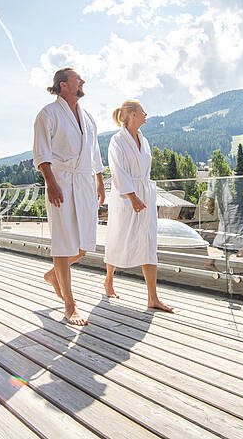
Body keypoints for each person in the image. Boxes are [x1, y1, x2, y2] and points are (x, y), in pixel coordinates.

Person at [33, 67, 105, 326]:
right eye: (77, 79)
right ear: (63, 84)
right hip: (61, 180)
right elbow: (41, 152)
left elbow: (94, 152)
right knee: (63, 241)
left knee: (85, 243)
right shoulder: (48, 114)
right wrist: (51, 182)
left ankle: (54, 274)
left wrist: (99, 181)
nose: (82, 81)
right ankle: (69, 305)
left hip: (84, 181)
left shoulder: (88, 118)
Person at [103, 100, 173, 312]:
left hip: (145, 194)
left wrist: (144, 195)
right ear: (133, 114)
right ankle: (108, 279)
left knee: (149, 242)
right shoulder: (117, 141)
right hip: (126, 196)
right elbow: (117, 171)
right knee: (118, 237)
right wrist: (132, 196)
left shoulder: (145, 140)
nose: (146, 114)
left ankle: (153, 297)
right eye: (143, 111)